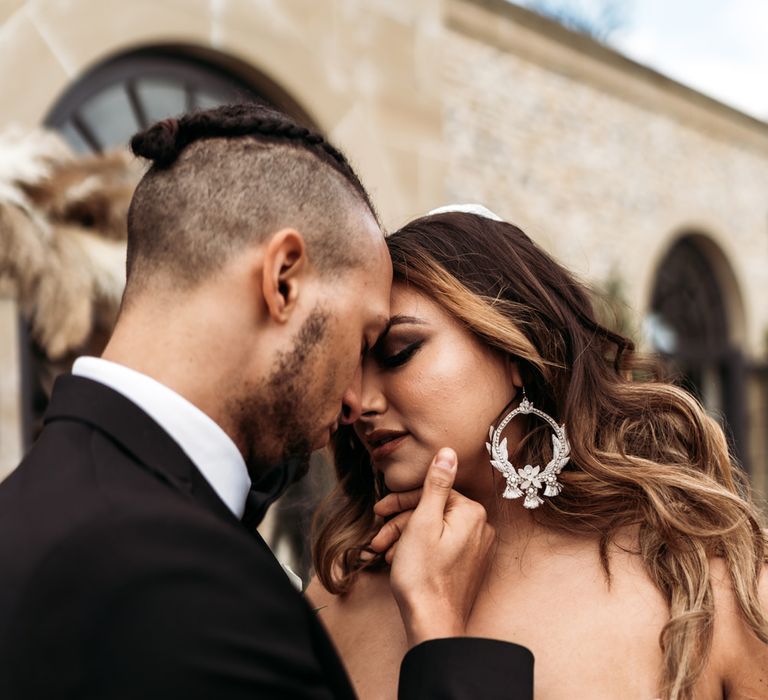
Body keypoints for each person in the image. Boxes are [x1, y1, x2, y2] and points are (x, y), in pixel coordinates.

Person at [0, 111, 534, 699]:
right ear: (283, 280)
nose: (357, 402)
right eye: (362, 339)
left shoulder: (31, 509)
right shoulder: (188, 584)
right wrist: (443, 645)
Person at [309, 204, 768, 700]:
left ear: (516, 350)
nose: (358, 400)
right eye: (353, 365)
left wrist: (438, 638)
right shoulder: (339, 594)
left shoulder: (707, 581)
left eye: (398, 352)